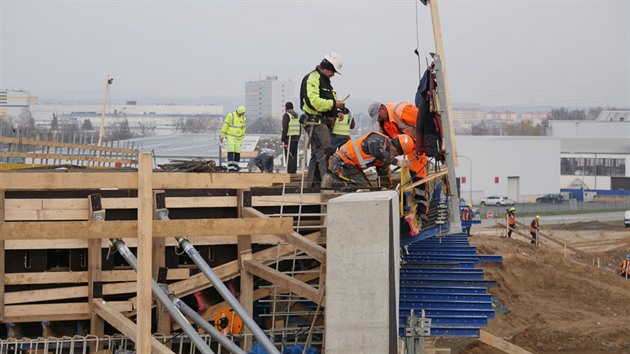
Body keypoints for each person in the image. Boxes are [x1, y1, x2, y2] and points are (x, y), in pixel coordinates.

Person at [369, 101, 429, 222]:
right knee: (400, 172)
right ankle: (390, 189)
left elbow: (425, 123)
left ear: (382, 109)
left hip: (418, 147)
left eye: (379, 116)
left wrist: (428, 143)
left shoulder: (402, 111)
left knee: (418, 176)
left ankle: (422, 209)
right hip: (405, 149)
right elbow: (386, 143)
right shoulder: (383, 124)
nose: (378, 119)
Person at [300, 52, 345, 187]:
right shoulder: (313, 78)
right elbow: (314, 102)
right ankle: (326, 185)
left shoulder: (325, 81)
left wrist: (336, 111)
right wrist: (333, 105)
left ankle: (312, 184)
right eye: (333, 72)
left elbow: (327, 101)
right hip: (315, 122)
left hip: (321, 121)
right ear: (327, 67)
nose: (333, 75)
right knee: (326, 151)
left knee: (317, 153)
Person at [324, 132, 415, 189]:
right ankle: (332, 181)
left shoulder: (384, 158)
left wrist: (387, 189)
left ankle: (334, 181)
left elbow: (384, 175)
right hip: (342, 160)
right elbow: (378, 152)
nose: (395, 156)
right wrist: (397, 162)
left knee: (368, 189)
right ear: (396, 151)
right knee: (363, 189)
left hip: (351, 165)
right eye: (397, 155)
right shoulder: (377, 139)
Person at [220, 105, 247, 172]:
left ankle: (235, 167)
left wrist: (242, 135)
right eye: (239, 113)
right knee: (231, 151)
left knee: (237, 152)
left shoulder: (243, 118)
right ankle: (230, 168)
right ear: (237, 111)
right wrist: (222, 135)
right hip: (230, 137)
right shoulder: (230, 116)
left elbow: (243, 128)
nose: (240, 115)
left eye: (241, 114)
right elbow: (225, 126)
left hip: (239, 138)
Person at [281, 102, 301, 174]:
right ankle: (294, 170)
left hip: (288, 138)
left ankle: (290, 171)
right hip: (295, 138)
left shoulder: (286, 115)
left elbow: (285, 127)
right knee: (294, 154)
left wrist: (283, 138)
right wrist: (298, 136)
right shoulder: (297, 116)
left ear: (286, 107)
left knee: (289, 155)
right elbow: (299, 127)